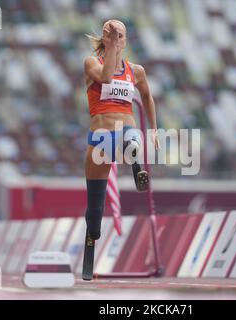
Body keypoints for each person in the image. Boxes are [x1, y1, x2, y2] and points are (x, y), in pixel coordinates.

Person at [83, 19, 160, 242]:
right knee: (95, 208)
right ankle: (92, 234)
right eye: (111, 34)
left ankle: (135, 162)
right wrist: (111, 48)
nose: (117, 38)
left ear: (125, 41)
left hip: (127, 130)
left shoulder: (136, 71)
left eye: (121, 35)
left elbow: (147, 96)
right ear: (104, 38)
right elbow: (106, 78)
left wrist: (153, 129)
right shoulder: (92, 64)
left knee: (130, 139)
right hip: (100, 140)